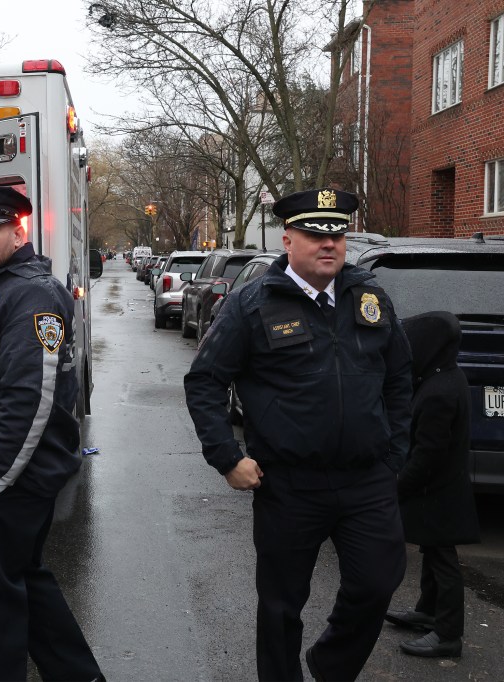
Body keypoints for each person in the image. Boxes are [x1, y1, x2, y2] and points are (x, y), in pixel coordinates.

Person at [184, 188, 413, 682]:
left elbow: (399, 379)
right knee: (281, 605)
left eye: (337, 234)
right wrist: (227, 457)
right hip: (289, 483)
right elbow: (205, 380)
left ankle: (331, 665)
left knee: (378, 583)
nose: (328, 244)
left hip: (366, 479)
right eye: (314, 234)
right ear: (288, 239)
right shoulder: (252, 302)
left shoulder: (370, 297)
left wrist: (395, 452)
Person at [0, 184, 103, 681]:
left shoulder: (29, 293)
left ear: (18, 230)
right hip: (0, 475)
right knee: (23, 584)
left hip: (8, 481)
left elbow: (32, 399)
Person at [385, 311, 480, 658]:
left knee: (443, 558)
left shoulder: (439, 391)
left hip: (438, 490)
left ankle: (448, 634)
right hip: (441, 488)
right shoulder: (445, 377)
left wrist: (397, 487)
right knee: (432, 548)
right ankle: (428, 609)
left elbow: (428, 454)